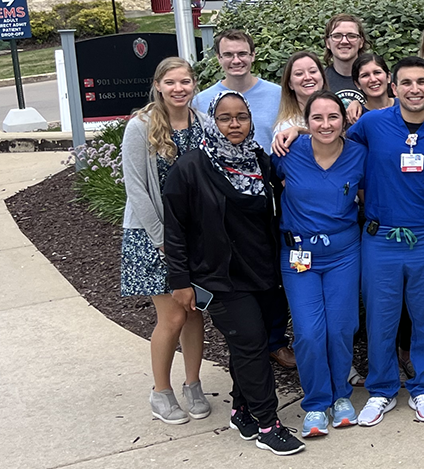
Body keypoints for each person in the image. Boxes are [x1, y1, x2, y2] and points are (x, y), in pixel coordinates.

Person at [163, 91, 303, 456]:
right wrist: (179, 281)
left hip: (265, 272)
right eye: (225, 118)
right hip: (220, 277)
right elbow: (175, 230)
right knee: (253, 343)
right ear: (213, 121)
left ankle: (242, 409)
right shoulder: (191, 167)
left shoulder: (260, 160)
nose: (235, 124)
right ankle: (268, 424)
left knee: (249, 346)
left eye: (241, 116)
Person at [341, 56, 424, 427]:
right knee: (381, 318)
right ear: (393, 89)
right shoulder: (371, 123)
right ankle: (381, 390)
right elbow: (336, 151)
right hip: (380, 236)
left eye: (422, 82)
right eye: (406, 83)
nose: (414, 89)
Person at [273, 91, 368, 436]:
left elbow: (366, 196)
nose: (325, 124)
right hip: (299, 256)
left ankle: (341, 396)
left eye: (332, 117)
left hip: (344, 253)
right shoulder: (288, 151)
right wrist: (292, 134)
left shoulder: (359, 154)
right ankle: (315, 403)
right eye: (317, 118)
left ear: (344, 120)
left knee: (341, 327)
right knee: (310, 333)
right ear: (306, 122)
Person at [123, 57, 212, 426]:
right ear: (158, 85)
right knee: (173, 314)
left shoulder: (203, 123)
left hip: (193, 234)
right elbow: (137, 189)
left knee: (194, 311)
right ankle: (161, 391)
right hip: (151, 235)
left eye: (186, 82)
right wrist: (163, 241)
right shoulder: (140, 126)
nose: (179, 88)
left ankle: (193, 384)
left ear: (194, 85)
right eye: (171, 82)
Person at [193, 29, 281, 148]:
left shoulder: (278, 95)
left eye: (242, 54)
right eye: (228, 55)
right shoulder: (200, 101)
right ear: (219, 58)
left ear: (253, 56)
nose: (236, 61)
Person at [323, 14, 370, 110]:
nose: (344, 41)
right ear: (327, 43)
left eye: (351, 36)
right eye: (337, 36)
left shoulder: (378, 78)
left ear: (361, 42)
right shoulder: (320, 81)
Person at [274, 51, 324, 136]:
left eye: (313, 71)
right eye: (299, 74)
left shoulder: (339, 116)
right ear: (290, 84)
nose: (308, 77)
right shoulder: (285, 128)